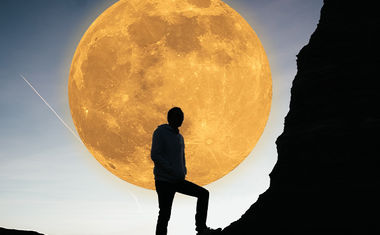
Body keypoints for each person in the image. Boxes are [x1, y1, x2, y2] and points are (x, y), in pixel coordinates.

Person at [151, 107, 221, 235]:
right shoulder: (160, 132)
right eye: (178, 116)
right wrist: (171, 170)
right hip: (164, 181)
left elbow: (180, 157)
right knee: (165, 214)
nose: (181, 118)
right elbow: (155, 155)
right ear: (170, 118)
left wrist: (183, 171)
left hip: (178, 179)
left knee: (203, 194)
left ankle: (201, 229)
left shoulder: (180, 137)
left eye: (182, 116)